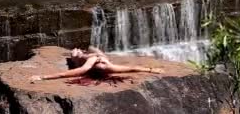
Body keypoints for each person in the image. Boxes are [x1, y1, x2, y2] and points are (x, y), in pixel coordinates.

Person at [30, 47, 163, 82]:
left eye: (103, 65)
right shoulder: (98, 61)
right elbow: (132, 68)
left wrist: (44, 77)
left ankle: (82, 51)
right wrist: (151, 70)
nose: (102, 65)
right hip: (93, 57)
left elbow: (131, 69)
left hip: (88, 58)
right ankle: (86, 50)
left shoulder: (105, 66)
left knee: (76, 54)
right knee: (84, 51)